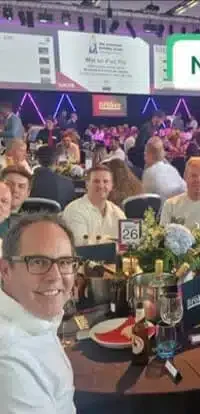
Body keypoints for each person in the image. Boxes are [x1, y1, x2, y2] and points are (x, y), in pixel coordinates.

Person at [0, 214, 78, 413]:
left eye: (64, 262)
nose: (55, 276)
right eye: (37, 262)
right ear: (5, 270)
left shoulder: (33, 316)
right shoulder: (9, 359)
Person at [62, 165, 126, 245]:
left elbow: (129, 243)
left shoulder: (117, 212)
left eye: (105, 181)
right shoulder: (74, 210)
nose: (101, 186)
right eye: (96, 181)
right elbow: (81, 244)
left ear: (111, 186)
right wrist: (115, 243)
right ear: (87, 184)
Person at [142, 137, 186, 203]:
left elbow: (146, 202)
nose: (144, 157)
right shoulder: (172, 169)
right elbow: (185, 189)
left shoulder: (148, 174)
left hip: (164, 208)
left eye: (145, 153)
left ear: (149, 155)